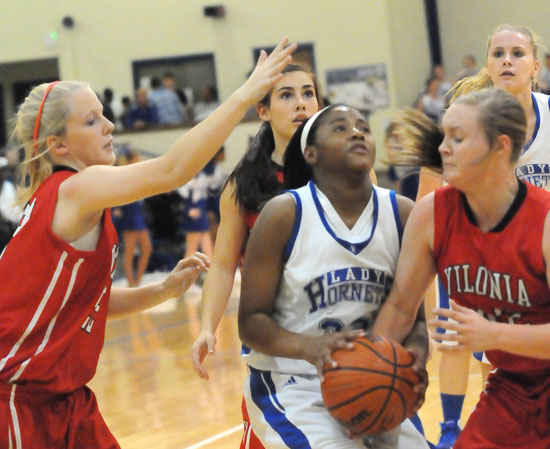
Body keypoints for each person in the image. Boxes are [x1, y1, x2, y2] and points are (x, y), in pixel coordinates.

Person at [0, 37, 296, 449]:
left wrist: (162, 290)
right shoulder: (75, 189)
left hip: (67, 400)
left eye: (104, 115)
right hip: (16, 400)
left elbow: (90, 301)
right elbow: (173, 170)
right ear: (58, 146)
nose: (110, 127)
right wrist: (246, 93)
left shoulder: (76, 199)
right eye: (91, 122)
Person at [238, 104, 430, 449]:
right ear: (310, 152)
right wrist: (310, 346)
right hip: (294, 381)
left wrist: (415, 356)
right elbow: (251, 322)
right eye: (341, 129)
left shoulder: (402, 213)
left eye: (363, 128)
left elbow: (414, 318)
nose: (357, 133)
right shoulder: (284, 214)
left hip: (374, 378)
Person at [373, 88, 550, 449]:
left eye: (458, 138)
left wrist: (493, 334)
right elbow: (400, 307)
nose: (443, 149)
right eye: (443, 137)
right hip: (513, 389)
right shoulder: (431, 214)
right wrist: (372, 369)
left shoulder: (544, 220)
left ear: (501, 147)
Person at [412, 23, 548, 448]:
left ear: (535, 66)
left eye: (518, 53)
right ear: (488, 64)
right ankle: (451, 427)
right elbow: (429, 193)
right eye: (499, 53)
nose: (507, 60)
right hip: (482, 245)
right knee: (476, 342)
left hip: (538, 248)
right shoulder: (465, 117)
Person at [191, 62, 321, 449]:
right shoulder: (242, 183)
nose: (301, 103)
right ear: (262, 111)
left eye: (308, 93)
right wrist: (205, 327)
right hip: (275, 347)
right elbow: (224, 265)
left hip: (341, 335)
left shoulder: (348, 171)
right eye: (287, 95)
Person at [112, 150, 153, 287]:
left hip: (138, 212)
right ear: (132, 159)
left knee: (147, 248)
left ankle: (138, 280)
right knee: (129, 250)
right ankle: (131, 283)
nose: (140, 160)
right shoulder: (124, 173)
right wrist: (116, 208)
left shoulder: (137, 173)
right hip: (129, 212)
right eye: (137, 158)